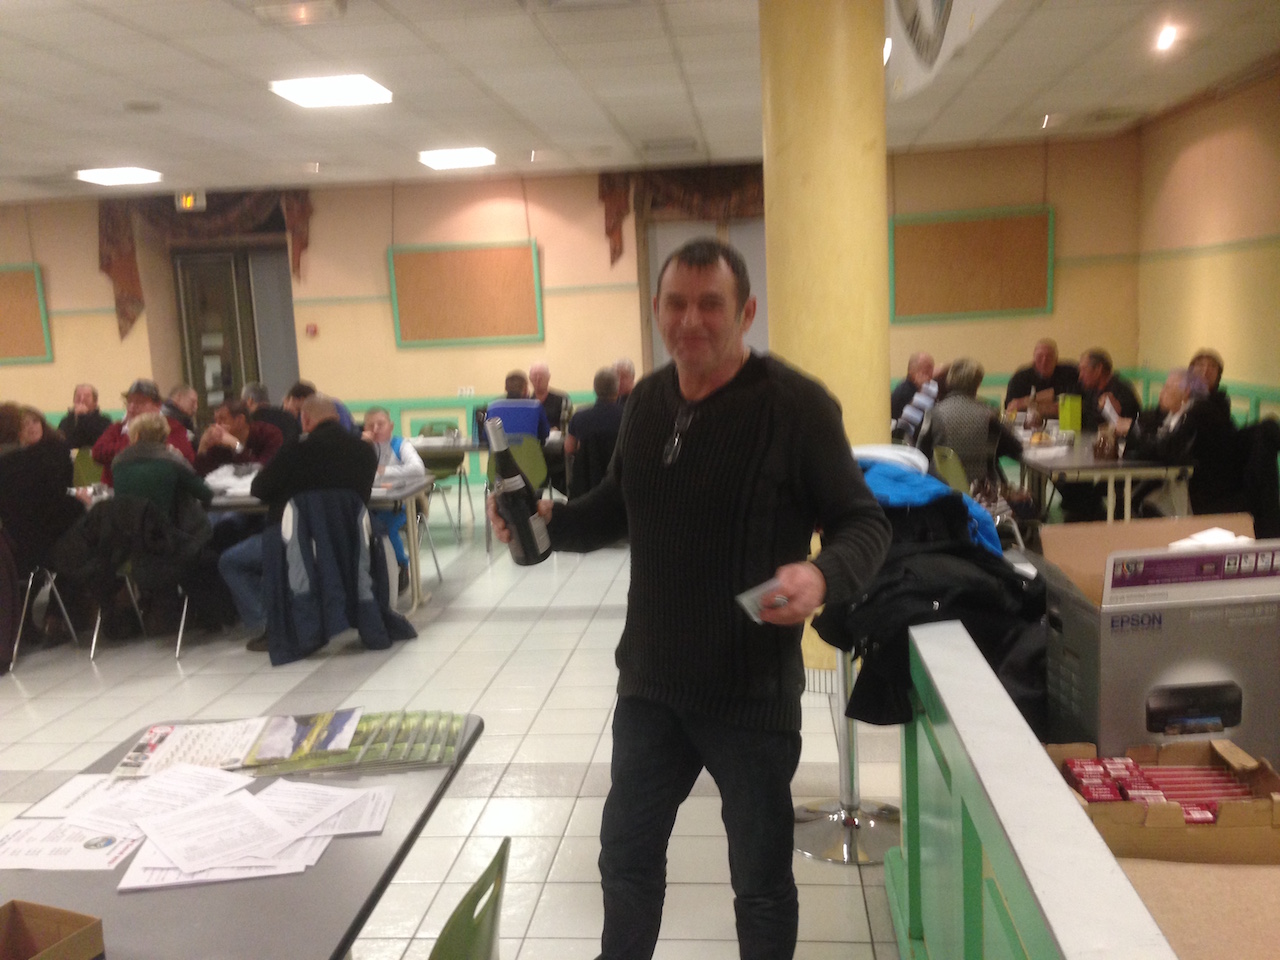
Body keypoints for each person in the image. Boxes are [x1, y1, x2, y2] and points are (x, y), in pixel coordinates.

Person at [488, 238, 891, 960]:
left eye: (711, 304)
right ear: (656, 309)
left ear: (746, 312)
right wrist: (550, 521)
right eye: (676, 303)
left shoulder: (796, 407)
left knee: (759, 882)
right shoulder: (646, 401)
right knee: (625, 858)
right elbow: (617, 507)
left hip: (750, 692)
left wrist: (821, 576)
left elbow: (864, 523)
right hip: (652, 684)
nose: (691, 320)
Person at [218, 395, 378, 651]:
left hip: (294, 543)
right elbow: (362, 498)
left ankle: (273, 625)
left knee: (231, 561)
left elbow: (259, 489)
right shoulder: (365, 452)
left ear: (305, 420)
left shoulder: (294, 451)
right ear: (338, 418)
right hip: (349, 542)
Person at [1118, 368, 1239, 516]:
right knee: (1127, 497)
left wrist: (1134, 431)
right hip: (1182, 482)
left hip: (1203, 490)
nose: (1162, 392)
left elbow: (1169, 450)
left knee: (1135, 502)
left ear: (1186, 392)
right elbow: (1157, 437)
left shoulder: (1199, 414)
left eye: (1168, 387)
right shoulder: (1179, 412)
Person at [917, 358, 1022, 485]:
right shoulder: (988, 415)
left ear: (950, 381)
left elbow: (921, 452)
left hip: (943, 487)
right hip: (981, 489)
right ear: (978, 384)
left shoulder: (934, 414)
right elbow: (1015, 448)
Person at [361, 406, 426, 593]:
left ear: (390, 426)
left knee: (385, 528)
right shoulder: (362, 446)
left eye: (380, 424)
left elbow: (418, 469)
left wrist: (385, 471)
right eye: (370, 425)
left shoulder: (400, 445)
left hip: (398, 505)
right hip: (370, 504)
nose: (375, 429)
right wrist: (362, 447)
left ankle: (401, 564)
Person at [92, 379, 195, 487]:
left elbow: (183, 459)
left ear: (157, 406)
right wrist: (134, 442)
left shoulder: (172, 427)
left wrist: (131, 446)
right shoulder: (118, 427)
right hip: (116, 490)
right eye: (129, 402)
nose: (131, 407)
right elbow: (97, 453)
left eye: (139, 402)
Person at [565, 367, 624, 498]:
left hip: (586, 488)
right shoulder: (627, 415)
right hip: (619, 486)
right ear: (617, 389)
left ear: (595, 389)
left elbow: (569, 448)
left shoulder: (580, 417)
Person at [194, 400, 283, 475]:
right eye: (215, 420)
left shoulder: (270, 434)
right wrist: (202, 447)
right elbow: (201, 475)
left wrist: (236, 446)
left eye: (222, 419)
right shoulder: (219, 443)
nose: (217, 426)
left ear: (240, 420)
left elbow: (263, 471)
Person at [1004, 338, 1079, 414]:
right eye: (1039, 357)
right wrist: (1049, 404)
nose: (1044, 361)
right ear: (1034, 359)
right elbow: (1010, 408)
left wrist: (1025, 402)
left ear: (1056, 359)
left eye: (1049, 357)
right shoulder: (1020, 378)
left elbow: (1073, 407)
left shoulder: (1070, 373)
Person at [530, 362, 573, 495]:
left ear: (548, 378)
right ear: (530, 379)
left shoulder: (562, 399)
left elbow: (567, 427)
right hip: (533, 454)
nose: (538, 379)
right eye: (535, 376)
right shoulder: (525, 401)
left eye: (541, 376)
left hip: (557, 454)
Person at [1077, 347, 1141, 430]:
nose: (1080, 376)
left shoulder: (1122, 391)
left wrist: (1113, 412)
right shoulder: (1090, 389)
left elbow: (1130, 427)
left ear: (1098, 369)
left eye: (1084, 370)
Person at [283, 380, 358, 434]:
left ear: (300, 399)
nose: (290, 404)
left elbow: (345, 429)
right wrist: (291, 417)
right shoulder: (300, 414)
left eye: (291, 400)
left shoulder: (333, 405)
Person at [56, 383, 112, 449]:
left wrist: (82, 418)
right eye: (78, 396)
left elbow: (90, 441)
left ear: (95, 402)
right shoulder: (65, 422)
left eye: (87, 396)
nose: (82, 399)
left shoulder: (104, 422)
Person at [890, 351, 934, 420]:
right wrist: (922, 391)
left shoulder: (919, 388)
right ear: (912, 371)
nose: (930, 377)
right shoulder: (903, 393)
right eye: (926, 372)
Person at [1189, 348, 1230, 420]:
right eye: (1201, 365)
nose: (1205, 371)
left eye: (1212, 366)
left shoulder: (1221, 401)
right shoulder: (1183, 394)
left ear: (1218, 374)